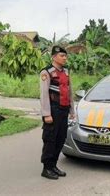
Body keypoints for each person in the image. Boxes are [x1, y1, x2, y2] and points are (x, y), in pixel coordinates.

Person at [39, 46, 76, 180]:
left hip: (64, 110)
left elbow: (69, 91)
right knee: (50, 139)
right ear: (54, 57)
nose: (65, 58)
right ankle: (46, 168)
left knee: (60, 139)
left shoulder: (66, 71)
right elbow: (43, 95)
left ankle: (53, 165)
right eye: (62, 55)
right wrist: (46, 114)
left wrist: (72, 110)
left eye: (65, 56)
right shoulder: (46, 72)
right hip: (53, 110)